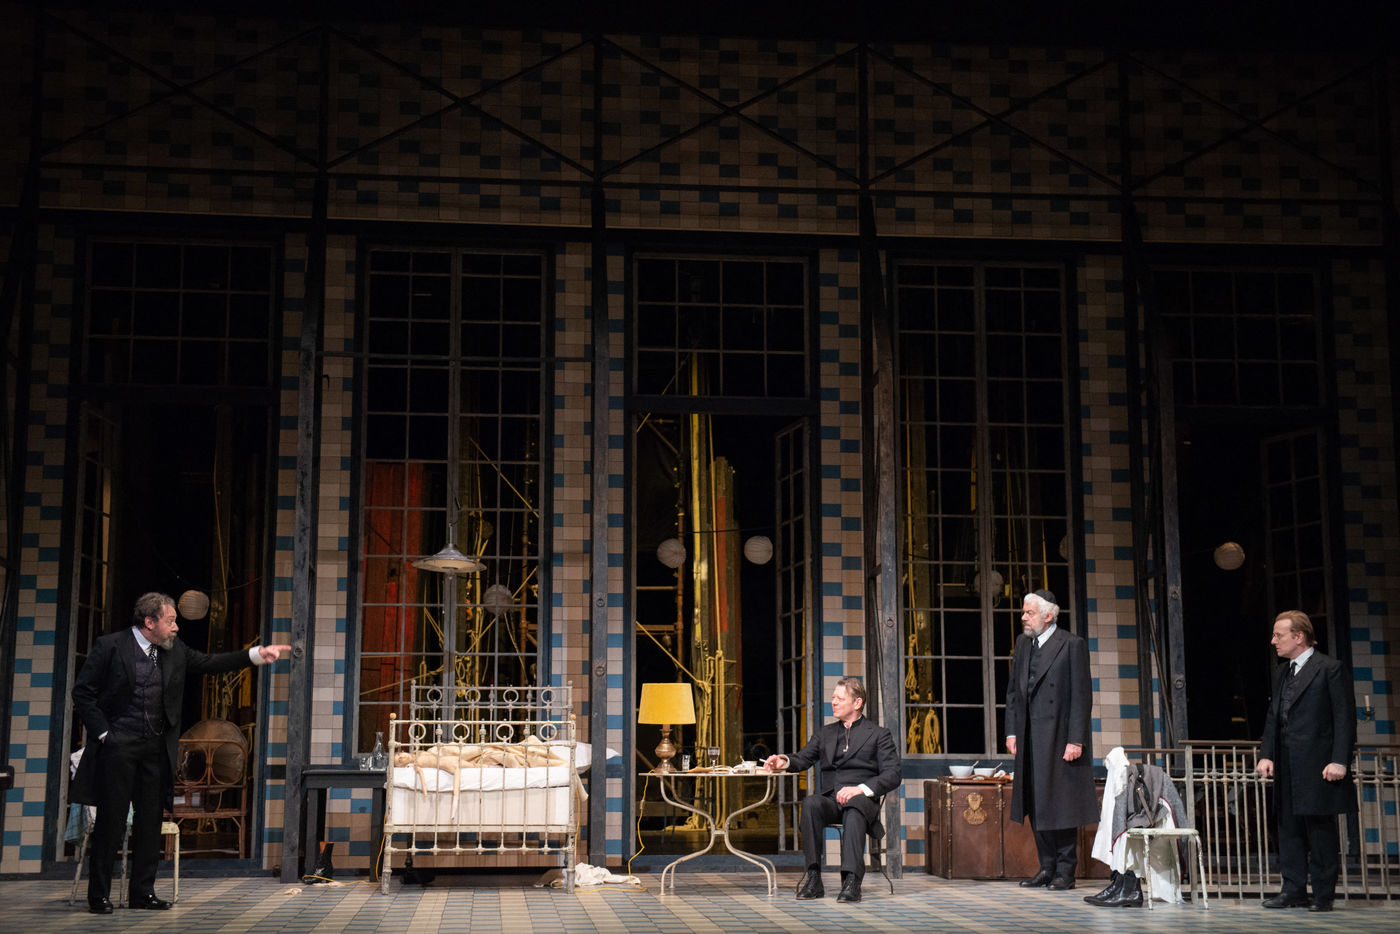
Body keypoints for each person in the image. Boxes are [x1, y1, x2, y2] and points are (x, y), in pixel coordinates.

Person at [71, 591, 291, 914]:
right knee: (111, 823)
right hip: (117, 747)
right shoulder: (111, 646)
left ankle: (142, 892)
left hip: (155, 749)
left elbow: (210, 663)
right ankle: (99, 895)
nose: (176, 627)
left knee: (149, 822)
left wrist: (256, 655)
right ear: (149, 622)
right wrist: (104, 734)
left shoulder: (174, 651)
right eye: (170, 621)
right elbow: (83, 693)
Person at [762, 676, 901, 903]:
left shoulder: (878, 734)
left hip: (862, 802)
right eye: (833, 698)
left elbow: (893, 774)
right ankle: (814, 878)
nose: (833, 702)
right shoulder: (824, 733)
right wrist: (783, 761)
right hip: (832, 801)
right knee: (811, 803)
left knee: (854, 809)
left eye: (839, 698)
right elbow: (803, 758)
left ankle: (852, 881)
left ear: (857, 703)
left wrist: (860, 789)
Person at [1255, 609, 1356, 912]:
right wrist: (1267, 754)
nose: (1273, 641)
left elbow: (1344, 718)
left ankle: (1323, 894)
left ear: (1298, 636)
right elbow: (1274, 717)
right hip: (1287, 764)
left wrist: (1339, 760)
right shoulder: (1282, 672)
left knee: (1320, 829)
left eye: (1279, 635)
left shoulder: (1329, 668)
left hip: (1318, 764)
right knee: (1288, 827)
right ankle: (1293, 890)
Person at [1004, 589, 1098, 890]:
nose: (1023, 617)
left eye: (1029, 613)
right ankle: (1046, 867)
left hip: (1059, 737)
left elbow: (1082, 696)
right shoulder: (1024, 644)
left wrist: (1076, 740)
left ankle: (1065, 871)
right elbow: (1013, 692)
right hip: (1030, 737)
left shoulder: (1071, 645)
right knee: (1035, 800)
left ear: (1048, 615)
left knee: (1061, 803)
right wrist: (1011, 731)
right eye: (1023, 612)